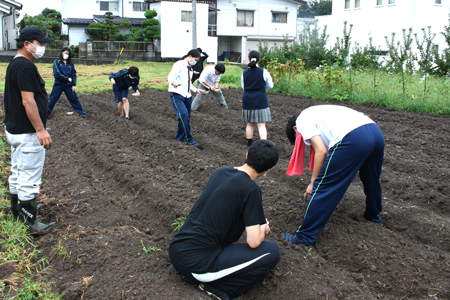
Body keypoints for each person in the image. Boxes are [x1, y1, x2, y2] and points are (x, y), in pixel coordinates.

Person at [169, 140, 281, 300]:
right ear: (269, 169)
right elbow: (254, 242)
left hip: (176, 250)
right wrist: (263, 229)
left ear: (247, 155)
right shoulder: (251, 190)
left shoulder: (220, 172)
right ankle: (222, 289)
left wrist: (258, 219)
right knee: (272, 252)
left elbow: (231, 204)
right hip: (197, 266)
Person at [283, 105, 385, 246]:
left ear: (295, 129)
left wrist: (313, 182)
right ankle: (373, 216)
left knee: (323, 185)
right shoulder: (318, 113)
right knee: (371, 179)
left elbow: (321, 151)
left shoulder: (301, 120)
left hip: (353, 137)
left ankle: (304, 236)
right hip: (375, 131)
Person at [3, 26, 56, 234]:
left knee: (17, 171)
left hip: (15, 129)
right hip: (27, 132)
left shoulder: (15, 62)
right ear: (27, 44)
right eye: (40, 43)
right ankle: (30, 220)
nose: (42, 47)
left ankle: (18, 210)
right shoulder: (25, 66)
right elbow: (28, 101)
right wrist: (41, 130)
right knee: (30, 177)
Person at [167, 49, 205, 147]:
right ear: (190, 56)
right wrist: (173, 82)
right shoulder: (178, 64)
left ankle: (180, 138)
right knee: (184, 115)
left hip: (187, 95)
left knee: (186, 118)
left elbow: (188, 83)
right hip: (177, 94)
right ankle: (189, 139)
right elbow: (171, 76)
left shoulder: (190, 68)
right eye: (195, 60)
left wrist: (196, 90)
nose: (195, 62)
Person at [241, 50, 273, 147]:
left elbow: (243, 86)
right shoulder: (264, 71)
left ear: (249, 59)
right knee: (261, 125)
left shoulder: (244, 72)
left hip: (247, 100)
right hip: (260, 100)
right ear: (259, 60)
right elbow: (270, 86)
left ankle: (249, 144)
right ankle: (263, 145)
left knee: (249, 124)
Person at [47, 47, 86, 118]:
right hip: (59, 84)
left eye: (67, 53)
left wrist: (73, 84)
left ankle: (81, 113)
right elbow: (57, 74)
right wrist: (67, 78)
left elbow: (74, 74)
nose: (66, 55)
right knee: (53, 99)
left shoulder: (70, 64)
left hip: (68, 85)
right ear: (61, 53)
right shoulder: (57, 62)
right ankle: (46, 114)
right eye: (65, 53)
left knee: (74, 99)